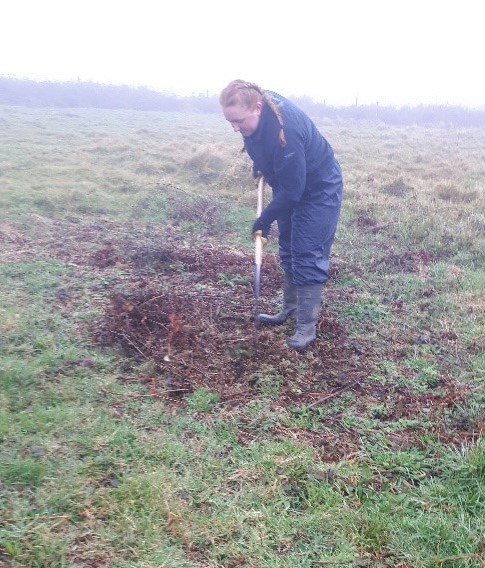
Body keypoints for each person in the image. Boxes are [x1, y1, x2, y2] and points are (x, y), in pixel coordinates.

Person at [219, 80, 343, 349]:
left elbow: (293, 193)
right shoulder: (254, 112)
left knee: (306, 251)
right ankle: (289, 309)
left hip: (317, 188)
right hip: (290, 182)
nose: (235, 128)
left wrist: (264, 219)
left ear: (258, 108)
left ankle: (305, 328)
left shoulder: (288, 130)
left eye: (239, 121)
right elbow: (258, 140)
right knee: (288, 246)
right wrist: (260, 163)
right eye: (230, 122)